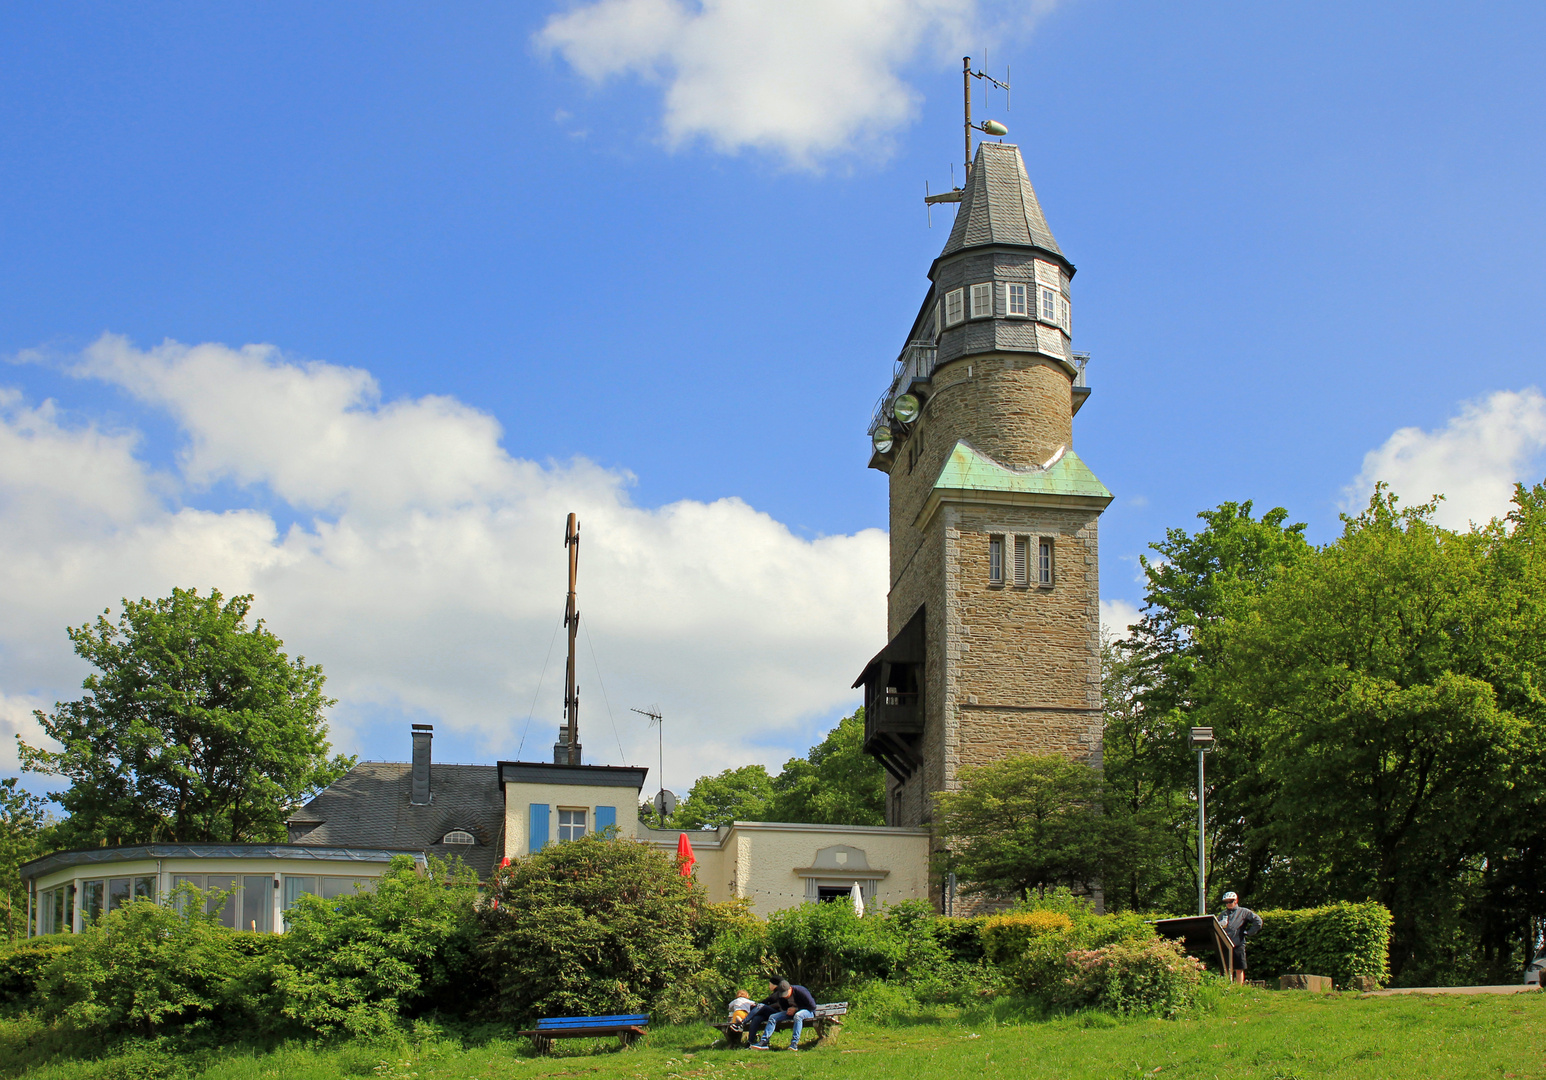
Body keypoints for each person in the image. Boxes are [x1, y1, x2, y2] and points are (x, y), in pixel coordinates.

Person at [751, 978, 818, 1052]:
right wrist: (789, 1010)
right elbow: (783, 1007)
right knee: (773, 1017)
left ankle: (794, 1044)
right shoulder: (780, 995)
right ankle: (764, 1042)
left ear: (790, 988)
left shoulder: (801, 991)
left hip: (807, 1011)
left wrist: (796, 1009)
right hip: (791, 1012)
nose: (785, 996)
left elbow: (812, 1006)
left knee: (798, 1016)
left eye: (786, 993)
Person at [1218, 890, 1262, 985]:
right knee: (1226, 969)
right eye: (1226, 902)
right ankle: (1227, 987)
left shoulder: (1244, 912)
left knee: (1239, 968)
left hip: (1238, 943)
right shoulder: (1222, 914)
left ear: (1236, 901)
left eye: (1231, 901)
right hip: (1225, 944)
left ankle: (1239, 988)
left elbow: (1258, 922)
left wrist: (1249, 932)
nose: (1229, 904)